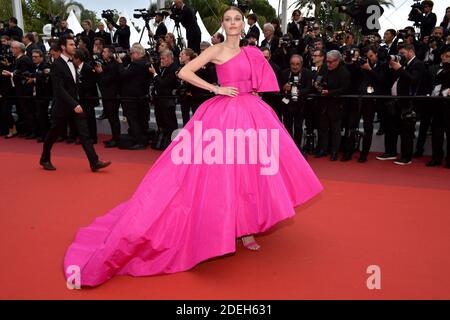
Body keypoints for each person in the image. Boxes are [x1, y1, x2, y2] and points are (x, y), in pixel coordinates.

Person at [63, 6, 323, 287]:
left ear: (244, 24)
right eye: (228, 19)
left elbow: (261, 82)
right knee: (222, 173)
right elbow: (184, 71)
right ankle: (224, 225)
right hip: (224, 116)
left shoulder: (253, 51)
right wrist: (215, 88)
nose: (233, 23)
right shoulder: (216, 50)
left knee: (251, 171)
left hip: (252, 113)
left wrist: (252, 97)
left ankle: (246, 228)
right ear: (223, 25)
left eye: (237, 19)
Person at [39, 35, 111, 172]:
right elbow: (59, 89)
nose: (74, 47)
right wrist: (74, 104)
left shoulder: (73, 63)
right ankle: (44, 158)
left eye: (74, 44)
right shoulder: (56, 65)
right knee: (53, 134)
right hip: (62, 107)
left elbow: (74, 86)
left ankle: (94, 162)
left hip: (75, 106)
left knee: (85, 135)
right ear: (63, 47)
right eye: (71, 44)